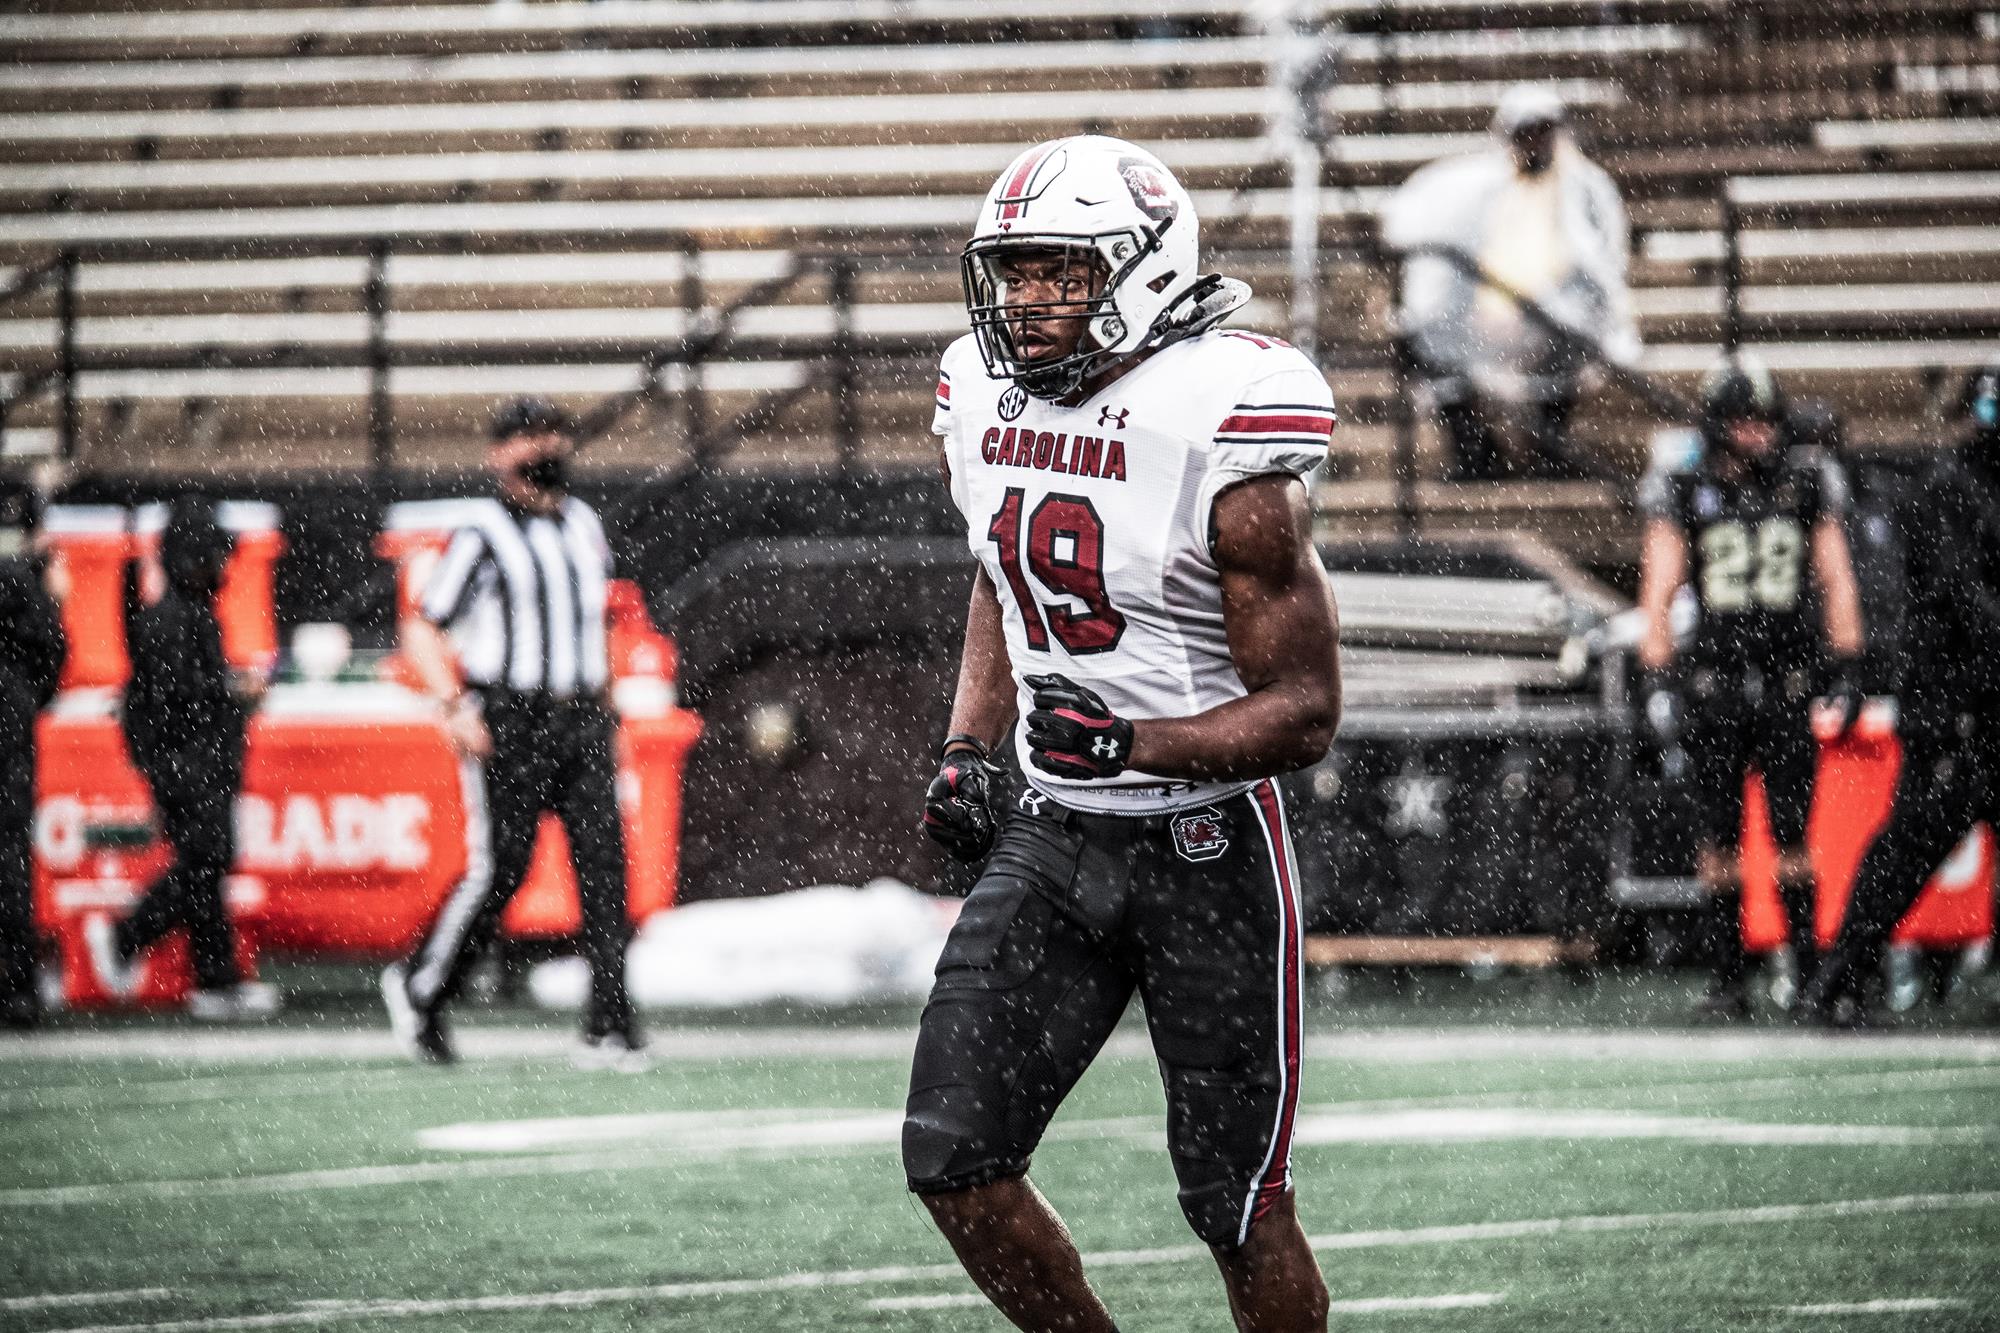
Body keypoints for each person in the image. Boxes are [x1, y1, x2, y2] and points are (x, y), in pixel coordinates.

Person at [907, 135, 1341, 1332]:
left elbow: (1305, 711)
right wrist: (966, 742)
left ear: (1140, 269)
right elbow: (1000, 574)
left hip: (1203, 849)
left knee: (1236, 1201)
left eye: (1057, 271)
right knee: (952, 1157)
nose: (1022, 300)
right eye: (1011, 271)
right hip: (1056, 834)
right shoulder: (978, 392)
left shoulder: (1222, 415)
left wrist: (1139, 741)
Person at [380, 397, 644, 1070]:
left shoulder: (584, 523)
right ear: (499, 454)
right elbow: (423, 624)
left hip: (580, 713)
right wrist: (454, 704)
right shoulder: (482, 531)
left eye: (552, 433)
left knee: (605, 869)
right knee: (504, 868)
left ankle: (609, 1023)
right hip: (513, 715)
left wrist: (609, 706)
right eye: (528, 437)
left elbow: (604, 621)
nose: (544, 447)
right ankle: (424, 985)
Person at [1634, 357, 1867, 1019]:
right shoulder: (1685, 486)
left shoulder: (1806, 480)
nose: (1759, 435)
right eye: (1745, 422)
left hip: (1789, 681)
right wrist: (1659, 677)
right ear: (1718, 425)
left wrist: (1848, 666)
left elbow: (1836, 578)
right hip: (1716, 684)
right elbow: (1659, 587)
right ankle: (1730, 977)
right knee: (1720, 842)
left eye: (1765, 421)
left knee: (1795, 837)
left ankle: (1808, 974)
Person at [1798, 365, 2000, 1026]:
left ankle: (1841, 979)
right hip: (1954, 705)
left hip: (1976, 700)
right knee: (1908, 849)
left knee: (1906, 850)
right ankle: (1837, 981)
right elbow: (1963, 600)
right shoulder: (1946, 486)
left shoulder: (1961, 483)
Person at [1381, 84, 1639, 480]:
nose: (1535, 143)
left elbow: (1602, 263)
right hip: (1481, 316)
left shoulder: (1585, 189)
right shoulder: (1480, 189)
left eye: (1543, 131)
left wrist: (1554, 311)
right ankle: (1474, 452)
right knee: (1424, 348)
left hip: (1554, 320)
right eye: (1526, 133)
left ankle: (1548, 450)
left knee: (1564, 348)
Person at [85, 496, 277, 1020]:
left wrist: (228, 694)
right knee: (205, 862)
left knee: (207, 867)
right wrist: (235, 691)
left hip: (196, 761)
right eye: (213, 556)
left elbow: (187, 694)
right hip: (187, 764)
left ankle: (214, 979)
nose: (222, 567)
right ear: (190, 558)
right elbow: (179, 700)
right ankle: (128, 934)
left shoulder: (188, 613)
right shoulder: (171, 617)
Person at [0, 488, 65, 1031]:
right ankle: (15, 984)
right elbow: (50, 653)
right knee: (8, 858)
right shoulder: (21, 579)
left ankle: (17, 981)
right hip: (8, 722)